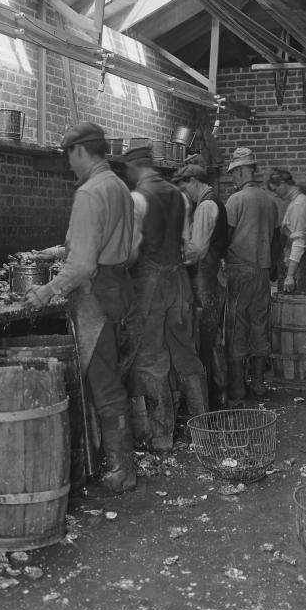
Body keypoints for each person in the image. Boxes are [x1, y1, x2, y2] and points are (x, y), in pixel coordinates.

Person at [24, 122, 137, 494]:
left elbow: (83, 266)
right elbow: (103, 240)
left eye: (69, 155)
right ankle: (112, 461)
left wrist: (46, 292)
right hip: (117, 285)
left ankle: (121, 469)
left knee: (101, 382)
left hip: (94, 295)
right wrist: (57, 252)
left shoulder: (90, 192)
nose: (69, 164)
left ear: (79, 151)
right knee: (108, 377)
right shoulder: (118, 186)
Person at [122, 143, 208, 454]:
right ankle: (203, 428)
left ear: (134, 168)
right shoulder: (180, 196)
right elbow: (185, 244)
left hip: (150, 286)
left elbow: (131, 252)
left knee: (152, 361)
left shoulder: (136, 198)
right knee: (186, 353)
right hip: (179, 282)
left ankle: (162, 438)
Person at [224, 147, 281, 402]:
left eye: (235, 172)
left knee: (237, 327)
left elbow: (225, 237)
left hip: (239, 270)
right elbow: (277, 239)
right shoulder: (270, 201)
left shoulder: (235, 201)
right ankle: (258, 384)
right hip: (263, 271)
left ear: (243, 170)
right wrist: (273, 270)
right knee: (260, 326)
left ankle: (237, 388)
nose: (233, 178)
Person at [171, 162, 229, 410]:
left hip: (206, 280)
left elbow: (197, 250)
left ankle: (211, 401)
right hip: (213, 277)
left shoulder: (206, 206)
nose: (187, 196)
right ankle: (216, 396)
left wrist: (177, 260)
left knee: (205, 342)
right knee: (212, 340)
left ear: (194, 182)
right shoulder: (214, 201)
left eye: (186, 190)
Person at [267, 168, 306, 293]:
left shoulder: (299, 205)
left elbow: (299, 243)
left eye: (275, 189)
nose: (275, 194)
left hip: (300, 267)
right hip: (301, 264)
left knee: (297, 307)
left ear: (283, 184)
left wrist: (290, 275)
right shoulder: (299, 202)